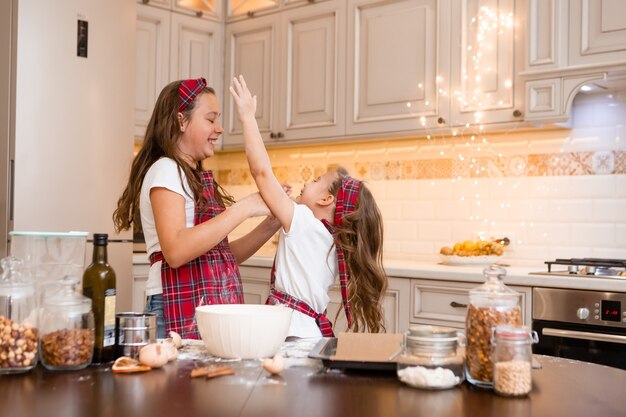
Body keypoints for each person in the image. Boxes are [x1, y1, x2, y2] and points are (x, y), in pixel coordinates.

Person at [113, 78, 282, 339]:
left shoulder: (190, 177)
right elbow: (177, 251)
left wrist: (271, 223)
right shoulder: (166, 170)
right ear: (181, 121)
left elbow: (222, 257)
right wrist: (244, 208)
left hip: (201, 304)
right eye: (211, 119)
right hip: (175, 305)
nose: (220, 128)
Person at [229, 75, 388, 338]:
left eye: (316, 180)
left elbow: (262, 173)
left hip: (290, 333)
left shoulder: (304, 221)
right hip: (307, 331)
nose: (307, 181)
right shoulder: (329, 238)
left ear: (326, 200)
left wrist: (247, 117)